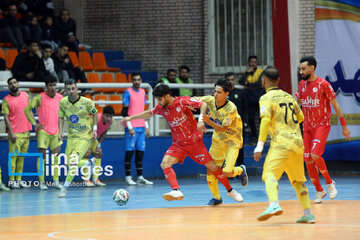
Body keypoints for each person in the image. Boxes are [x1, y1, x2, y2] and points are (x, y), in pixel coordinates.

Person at [120, 84, 243, 202]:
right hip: (178, 145)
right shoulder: (161, 108)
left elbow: (203, 103)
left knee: (213, 167)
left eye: (160, 99)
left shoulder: (182, 102)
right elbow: (149, 113)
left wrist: (201, 119)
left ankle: (230, 191)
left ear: (167, 96)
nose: (158, 102)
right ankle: (176, 190)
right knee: (164, 163)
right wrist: (130, 118)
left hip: (194, 143)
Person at [253, 66, 315, 223]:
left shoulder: (266, 98)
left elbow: (265, 120)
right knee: (298, 181)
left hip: (281, 142)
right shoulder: (289, 97)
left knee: (269, 175)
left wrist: (260, 145)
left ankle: (274, 204)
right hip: (297, 143)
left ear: (263, 81)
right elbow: (300, 117)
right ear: (278, 80)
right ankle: (308, 213)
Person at [295, 56, 351, 204]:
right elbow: (298, 103)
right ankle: (319, 190)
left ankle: (330, 182)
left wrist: (344, 126)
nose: (301, 71)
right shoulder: (301, 84)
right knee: (307, 160)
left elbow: (336, 105)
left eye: (303, 68)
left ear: (312, 68)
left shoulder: (323, 84)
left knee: (314, 154)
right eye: (300, 69)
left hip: (321, 125)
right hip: (306, 126)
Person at [195, 79, 248, 206]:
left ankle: (240, 170)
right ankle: (217, 198)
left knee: (227, 172)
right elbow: (195, 100)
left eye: (219, 92)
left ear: (226, 93)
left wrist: (208, 121)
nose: (215, 94)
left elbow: (224, 128)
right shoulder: (211, 100)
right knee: (211, 169)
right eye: (215, 91)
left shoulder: (231, 108)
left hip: (232, 141)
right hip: (218, 140)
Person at [57, 79, 98, 198]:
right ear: (65, 90)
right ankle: (89, 162)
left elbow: (95, 113)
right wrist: (60, 131)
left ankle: (64, 188)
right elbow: (61, 117)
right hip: (71, 137)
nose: (71, 91)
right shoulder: (63, 102)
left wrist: (94, 129)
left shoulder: (87, 102)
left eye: (73, 89)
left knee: (73, 163)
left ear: (77, 89)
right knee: (68, 163)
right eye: (68, 89)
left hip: (85, 137)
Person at [24, 75, 63, 190]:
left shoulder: (61, 98)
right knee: (42, 157)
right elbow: (27, 110)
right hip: (43, 132)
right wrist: (34, 123)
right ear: (46, 87)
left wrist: (61, 129)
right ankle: (42, 182)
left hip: (56, 132)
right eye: (50, 85)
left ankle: (56, 181)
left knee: (56, 157)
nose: (52, 87)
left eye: (54, 85)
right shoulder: (39, 98)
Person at [121, 72, 152, 185]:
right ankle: (128, 177)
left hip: (141, 128)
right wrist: (129, 127)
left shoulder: (143, 92)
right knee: (129, 152)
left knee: (140, 153)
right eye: (135, 80)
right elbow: (124, 111)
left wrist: (147, 127)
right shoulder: (127, 92)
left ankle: (140, 177)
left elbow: (143, 111)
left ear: (141, 80)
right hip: (132, 128)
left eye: (138, 80)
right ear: (132, 81)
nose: (137, 82)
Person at [2, 77, 32, 189]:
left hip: (26, 132)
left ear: (18, 84)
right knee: (13, 158)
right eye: (10, 84)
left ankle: (19, 180)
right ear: (8, 87)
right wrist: (11, 133)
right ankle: (11, 181)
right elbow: (6, 118)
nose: (13, 85)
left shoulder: (25, 95)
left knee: (21, 157)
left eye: (15, 82)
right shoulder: (6, 100)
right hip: (15, 134)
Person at [83, 105, 115, 187]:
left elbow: (104, 132)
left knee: (99, 153)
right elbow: (84, 129)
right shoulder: (96, 118)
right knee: (87, 153)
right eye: (107, 116)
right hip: (84, 137)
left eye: (110, 117)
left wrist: (99, 145)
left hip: (94, 139)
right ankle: (86, 179)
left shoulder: (111, 121)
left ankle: (95, 179)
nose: (108, 119)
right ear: (103, 114)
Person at [239, 56, 265, 144]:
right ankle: (254, 137)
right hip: (250, 99)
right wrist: (246, 73)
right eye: (251, 62)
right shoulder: (246, 72)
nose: (253, 63)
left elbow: (259, 83)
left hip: (260, 99)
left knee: (262, 119)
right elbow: (241, 81)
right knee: (250, 119)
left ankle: (262, 138)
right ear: (249, 63)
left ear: (257, 63)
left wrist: (248, 84)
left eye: (255, 62)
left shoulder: (261, 72)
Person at [225, 72, 246, 166]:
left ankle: (240, 169)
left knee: (239, 147)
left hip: (238, 126)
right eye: (228, 80)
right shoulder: (222, 94)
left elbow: (245, 109)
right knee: (227, 147)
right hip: (226, 126)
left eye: (232, 79)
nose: (230, 82)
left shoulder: (240, 93)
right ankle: (229, 169)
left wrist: (245, 122)